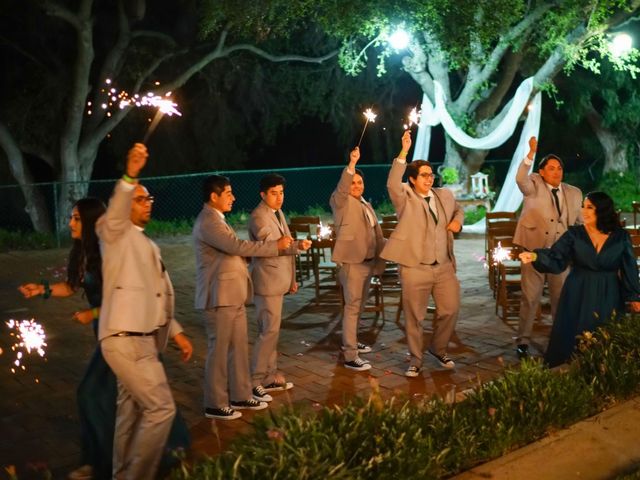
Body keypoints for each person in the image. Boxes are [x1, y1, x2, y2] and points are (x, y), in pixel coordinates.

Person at [96, 143, 193, 480]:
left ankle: (121, 471)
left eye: (149, 199)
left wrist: (176, 331)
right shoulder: (114, 234)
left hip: (147, 341)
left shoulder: (147, 244)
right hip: (125, 339)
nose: (147, 203)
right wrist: (130, 176)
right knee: (162, 408)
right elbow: (113, 216)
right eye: (141, 199)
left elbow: (157, 295)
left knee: (130, 412)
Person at [193, 175, 295, 420]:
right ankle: (215, 403)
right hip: (218, 296)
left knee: (238, 348)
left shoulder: (218, 219)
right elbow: (236, 246)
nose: (233, 198)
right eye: (228, 194)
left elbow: (231, 253)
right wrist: (275, 247)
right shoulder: (208, 221)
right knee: (219, 351)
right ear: (213, 196)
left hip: (232, 294)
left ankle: (240, 394)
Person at [519, 191, 640, 367]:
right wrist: (536, 256)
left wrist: (634, 296)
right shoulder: (574, 234)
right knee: (574, 332)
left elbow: (629, 267)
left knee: (606, 330)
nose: (583, 210)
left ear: (602, 210)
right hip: (578, 290)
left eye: (589, 207)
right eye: (583, 206)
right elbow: (557, 257)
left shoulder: (621, 237)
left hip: (610, 292)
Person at [381, 130, 464, 377]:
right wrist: (404, 151)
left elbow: (458, 210)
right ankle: (416, 359)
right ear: (413, 179)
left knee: (450, 309)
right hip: (414, 266)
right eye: (424, 175)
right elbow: (392, 183)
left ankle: (438, 349)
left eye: (431, 175)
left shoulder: (445, 196)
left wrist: (457, 222)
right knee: (414, 316)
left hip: (444, 266)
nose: (429, 179)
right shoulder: (404, 197)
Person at [513, 137, 583, 359]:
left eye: (559, 168)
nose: (556, 172)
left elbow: (580, 223)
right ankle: (523, 341)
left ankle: (561, 338)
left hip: (560, 256)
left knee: (560, 298)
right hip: (533, 250)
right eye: (551, 168)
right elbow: (520, 178)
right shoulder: (533, 184)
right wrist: (530, 154)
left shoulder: (574, 192)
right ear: (542, 172)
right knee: (530, 297)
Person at [248, 174, 311, 397]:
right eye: (274, 193)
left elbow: (285, 246)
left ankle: (270, 376)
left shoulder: (277, 213)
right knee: (268, 332)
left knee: (272, 332)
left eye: (281, 192)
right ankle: (255, 380)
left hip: (278, 281)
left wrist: (297, 246)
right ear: (262, 194)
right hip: (266, 283)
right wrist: (285, 244)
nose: (279, 197)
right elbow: (269, 245)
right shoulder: (258, 216)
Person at [330, 146, 386, 371]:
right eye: (353, 183)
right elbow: (343, 187)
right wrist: (352, 164)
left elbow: (375, 233)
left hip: (368, 263)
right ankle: (350, 355)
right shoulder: (340, 201)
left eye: (359, 183)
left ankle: (352, 342)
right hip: (353, 264)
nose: (356, 186)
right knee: (352, 308)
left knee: (359, 306)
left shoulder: (365, 203)